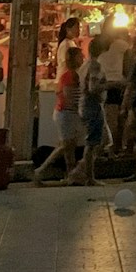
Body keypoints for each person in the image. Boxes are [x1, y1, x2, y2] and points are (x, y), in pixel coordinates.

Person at [34, 43, 86, 184]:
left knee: (68, 148)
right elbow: (69, 98)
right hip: (67, 114)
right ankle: (42, 171)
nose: (83, 58)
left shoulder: (70, 75)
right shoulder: (70, 76)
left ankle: (69, 175)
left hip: (68, 114)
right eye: (80, 56)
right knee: (66, 147)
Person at [73, 45, 110, 184]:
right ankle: (86, 175)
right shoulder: (95, 65)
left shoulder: (85, 65)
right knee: (94, 142)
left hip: (86, 104)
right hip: (92, 105)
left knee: (99, 140)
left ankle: (82, 171)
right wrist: (113, 85)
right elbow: (93, 88)